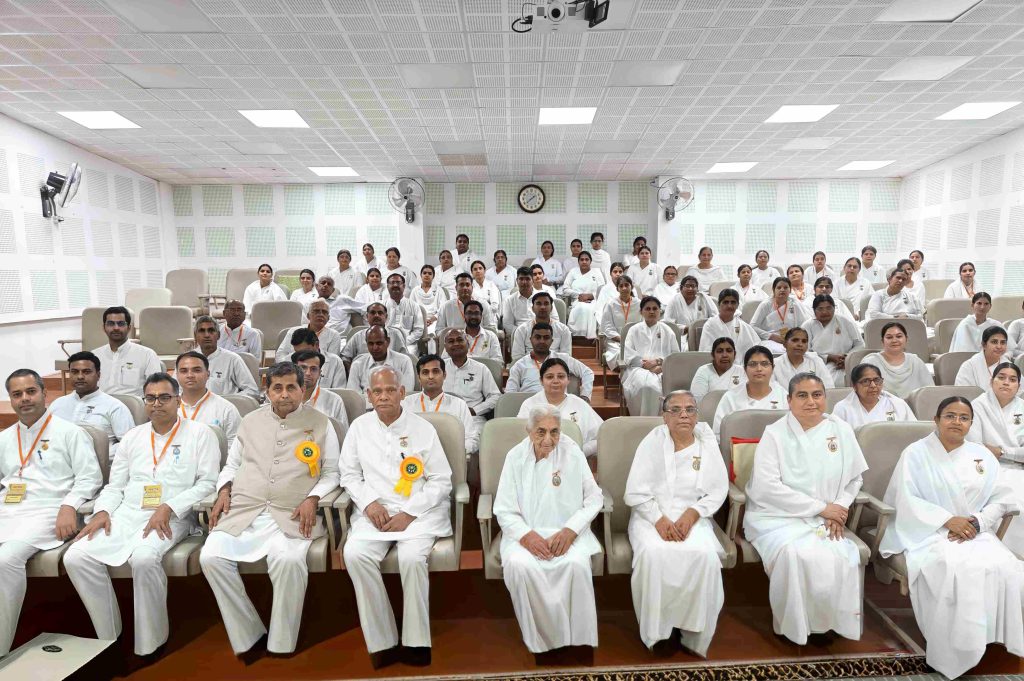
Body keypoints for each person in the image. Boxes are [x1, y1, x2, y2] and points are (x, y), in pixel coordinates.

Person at [65, 372, 219, 657]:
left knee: (144, 557)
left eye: (164, 398)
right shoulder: (133, 437)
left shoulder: (200, 433)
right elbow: (115, 486)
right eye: (150, 398)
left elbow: (208, 483)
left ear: (178, 400)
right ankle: (109, 634)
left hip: (174, 515)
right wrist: (102, 511)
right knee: (76, 556)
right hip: (128, 512)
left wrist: (169, 507)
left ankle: (151, 641)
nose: (156, 404)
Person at [201, 362, 340, 657]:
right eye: (277, 388)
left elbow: (332, 474)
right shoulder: (250, 421)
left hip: (292, 513)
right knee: (211, 556)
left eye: (291, 387)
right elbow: (232, 465)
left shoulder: (321, 423)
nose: (284, 394)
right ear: (267, 391)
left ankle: (281, 642)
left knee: (287, 561)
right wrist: (224, 489)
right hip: (245, 510)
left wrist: (313, 498)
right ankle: (248, 633)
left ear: (302, 389)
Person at [880, 396, 1023, 679]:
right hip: (929, 531)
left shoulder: (981, 455)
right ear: (936, 419)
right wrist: (947, 520)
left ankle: (994, 640)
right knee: (956, 568)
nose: (957, 422)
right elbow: (906, 500)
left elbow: (1001, 499)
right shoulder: (915, 453)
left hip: (973, 531)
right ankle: (954, 649)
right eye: (950, 416)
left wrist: (978, 522)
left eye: (964, 417)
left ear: (971, 423)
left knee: (1008, 567)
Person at [341, 366, 452, 668]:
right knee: (355, 555)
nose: (384, 396)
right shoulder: (358, 428)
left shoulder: (422, 429)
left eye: (390, 390)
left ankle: (417, 642)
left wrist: (409, 513)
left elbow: (441, 479)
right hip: (374, 514)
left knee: (412, 559)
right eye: (377, 391)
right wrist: (369, 504)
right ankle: (382, 640)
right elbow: (349, 475)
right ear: (369, 395)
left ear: (402, 393)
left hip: (418, 513)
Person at [744, 373, 867, 644]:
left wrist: (839, 508)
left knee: (840, 555)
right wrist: (822, 508)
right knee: (795, 554)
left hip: (829, 515)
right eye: (802, 395)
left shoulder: (841, 429)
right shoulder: (775, 433)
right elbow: (767, 488)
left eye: (817, 395)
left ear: (825, 398)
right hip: (776, 516)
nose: (811, 401)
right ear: (789, 400)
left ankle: (829, 622)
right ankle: (794, 628)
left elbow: (855, 478)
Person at [0, 369, 102, 657]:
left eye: (30, 391)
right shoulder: (4, 438)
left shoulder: (70, 432)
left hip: (50, 510)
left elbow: (90, 478)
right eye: (17, 394)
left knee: (6, 558)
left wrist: (69, 506)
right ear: (11, 400)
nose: (24, 399)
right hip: (9, 508)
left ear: (45, 394)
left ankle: (1, 645)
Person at [625, 390, 727, 655]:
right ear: (664, 416)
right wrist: (658, 520)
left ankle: (692, 631)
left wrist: (693, 514)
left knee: (704, 556)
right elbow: (636, 491)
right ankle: (659, 632)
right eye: (676, 410)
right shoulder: (652, 442)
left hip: (694, 516)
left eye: (690, 409)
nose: (684, 415)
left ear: (697, 415)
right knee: (654, 554)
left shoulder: (706, 442)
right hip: (650, 515)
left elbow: (717, 489)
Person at [494, 404, 602, 654]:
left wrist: (570, 531)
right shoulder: (515, 457)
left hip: (567, 533)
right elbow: (504, 509)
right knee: (521, 566)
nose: (548, 439)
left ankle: (577, 642)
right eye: (541, 431)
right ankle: (540, 643)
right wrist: (526, 536)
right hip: (524, 534)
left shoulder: (572, 452)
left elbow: (594, 498)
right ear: (529, 430)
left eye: (555, 432)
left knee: (575, 565)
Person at [967, 362, 1024, 554]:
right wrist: (1015, 453)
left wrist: (1002, 451)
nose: (1006, 383)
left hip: (1018, 468)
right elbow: (975, 446)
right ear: (991, 381)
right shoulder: (977, 406)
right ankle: (1010, 553)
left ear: (1019, 386)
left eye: (1012, 379)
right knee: (1013, 500)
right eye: (1001, 377)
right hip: (987, 469)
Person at [49, 351, 134, 454]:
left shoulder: (114, 407)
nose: (80, 377)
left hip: (99, 462)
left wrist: (100, 456)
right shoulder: (57, 404)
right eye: (74, 372)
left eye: (86, 372)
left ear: (98, 375)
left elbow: (130, 444)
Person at [517, 358, 603, 459]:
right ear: (541, 380)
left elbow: (600, 437)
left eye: (561, 376)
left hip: (573, 462)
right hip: (537, 461)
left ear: (568, 379)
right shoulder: (529, 405)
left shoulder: (580, 404)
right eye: (550, 377)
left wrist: (580, 452)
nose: (556, 381)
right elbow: (521, 439)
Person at [441, 330, 501, 453]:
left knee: (467, 447)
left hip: (473, 419)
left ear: (467, 343)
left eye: (460, 340)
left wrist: (475, 410)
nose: (456, 344)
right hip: (443, 417)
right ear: (445, 348)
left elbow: (495, 396)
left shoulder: (481, 368)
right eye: (451, 341)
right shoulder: (439, 369)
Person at [403, 354, 477, 455]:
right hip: (414, 458)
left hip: (450, 457)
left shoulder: (459, 404)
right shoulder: (406, 403)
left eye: (435, 371)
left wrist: (455, 452)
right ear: (419, 378)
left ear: (444, 375)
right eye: (425, 372)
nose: (430, 376)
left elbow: (471, 438)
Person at [622, 297, 680, 416]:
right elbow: (628, 354)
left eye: (655, 309)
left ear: (660, 311)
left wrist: (659, 363)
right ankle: (643, 420)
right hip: (637, 369)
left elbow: (675, 356)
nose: (652, 312)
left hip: (663, 369)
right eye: (647, 309)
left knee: (661, 387)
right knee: (646, 386)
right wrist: (645, 365)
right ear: (641, 312)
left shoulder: (667, 330)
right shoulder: (634, 330)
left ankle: (660, 421)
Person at [712, 346, 788, 438]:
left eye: (764, 364)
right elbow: (718, 434)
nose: (759, 369)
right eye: (753, 364)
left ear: (773, 368)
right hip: (737, 446)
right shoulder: (730, 398)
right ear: (745, 369)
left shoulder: (783, 395)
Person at [507, 324, 594, 400]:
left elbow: (587, 372)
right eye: (537, 337)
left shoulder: (563, 359)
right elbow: (510, 393)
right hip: (529, 405)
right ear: (531, 339)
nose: (542, 341)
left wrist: (585, 396)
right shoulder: (520, 365)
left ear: (552, 341)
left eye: (546, 338)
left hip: (559, 405)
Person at [175, 351, 242, 448]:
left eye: (197, 370)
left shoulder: (226, 409)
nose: (190, 375)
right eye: (184, 371)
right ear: (177, 375)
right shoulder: (167, 407)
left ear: (208, 374)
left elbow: (234, 448)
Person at [92, 306, 162, 397]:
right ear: (104, 327)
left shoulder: (147, 355)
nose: (116, 328)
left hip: (133, 405)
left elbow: (157, 389)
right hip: (100, 404)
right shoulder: (94, 356)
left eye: (121, 324)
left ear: (129, 327)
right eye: (110, 324)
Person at [801, 294, 863, 387]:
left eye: (829, 308)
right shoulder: (807, 326)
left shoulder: (845, 321)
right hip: (818, 364)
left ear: (834, 308)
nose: (825, 312)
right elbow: (805, 352)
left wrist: (847, 357)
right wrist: (828, 357)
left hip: (846, 363)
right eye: (820, 309)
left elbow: (860, 344)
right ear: (814, 310)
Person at [193, 316, 260, 399]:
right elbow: (179, 391)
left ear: (218, 335)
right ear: (195, 336)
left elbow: (252, 391)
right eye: (202, 331)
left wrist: (227, 401)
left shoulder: (232, 359)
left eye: (211, 330)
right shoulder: (186, 360)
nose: (207, 335)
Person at [347, 326, 415, 408]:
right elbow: (354, 398)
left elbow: (405, 394)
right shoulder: (357, 364)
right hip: (365, 410)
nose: (375, 347)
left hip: (396, 409)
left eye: (379, 343)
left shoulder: (404, 361)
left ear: (388, 341)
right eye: (371, 344)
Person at [862, 322, 933, 398]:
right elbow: (862, 392)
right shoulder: (870, 363)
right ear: (882, 341)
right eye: (889, 337)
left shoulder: (916, 361)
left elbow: (930, 390)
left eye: (899, 336)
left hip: (915, 404)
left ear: (906, 339)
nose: (894, 340)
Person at [832, 363, 914, 427]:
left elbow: (914, 432)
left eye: (877, 380)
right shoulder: (842, 408)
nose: (873, 385)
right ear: (854, 386)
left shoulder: (897, 404)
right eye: (866, 381)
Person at [750, 277, 810, 355]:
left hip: (792, 339)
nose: (782, 290)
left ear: (790, 290)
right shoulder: (766, 305)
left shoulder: (795, 303)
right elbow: (752, 326)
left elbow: (804, 325)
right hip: (770, 340)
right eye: (779, 287)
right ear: (773, 290)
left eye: (785, 287)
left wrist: (795, 337)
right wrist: (771, 336)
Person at [698, 288, 761, 360]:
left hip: (741, 365)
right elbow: (705, 351)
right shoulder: (710, 325)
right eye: (725, 302)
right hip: (717, 364)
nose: (729, 306)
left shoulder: (743, 326)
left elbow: (756, 347)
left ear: (737, 305)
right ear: (719, 304)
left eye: (733, 302)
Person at [341, 303, 409, 369]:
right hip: (363, 373)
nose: (376, 315)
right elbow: (345, 356)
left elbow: (405, 358)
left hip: (390, 373)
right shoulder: (358, 336)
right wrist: (352, 371)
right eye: (372, 313)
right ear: (367, 316)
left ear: (386, 317)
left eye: (380, 313)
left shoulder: (396, 334)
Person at [292, 350, 349, 428]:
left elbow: (342, 432)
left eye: (313, 369)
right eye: (303, 368)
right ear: (294, 371)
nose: (308, 373)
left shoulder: (334, 401)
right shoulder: (284, 398)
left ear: (319, 373)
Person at [511, 292, 571, 364]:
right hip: (528, 367)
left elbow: (566, 357)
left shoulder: (563, 330)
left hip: (555, 367)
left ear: (551, 308)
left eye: (546, 304)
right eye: (539, 304)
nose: (542, 307)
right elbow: (517, 358)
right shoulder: (522, 329)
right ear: (532, 308)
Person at [275, 299, 341, 362]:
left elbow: (333, 361)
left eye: (324, 312)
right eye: (316, 311)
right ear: (308, 316)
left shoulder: (334, 335)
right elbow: (280, 355)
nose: (321, 314)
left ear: (328, 318)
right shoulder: (293, 331)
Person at [598, 275, 641, 370]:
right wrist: (622, 339)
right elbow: (607, 327)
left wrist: (632, 340)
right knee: (621, 354)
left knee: (640, 353)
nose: (624, 288)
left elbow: (643, 324)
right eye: (621, 286)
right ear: (617, 289)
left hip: (636, 340)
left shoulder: (639, 304)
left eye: (627, 285)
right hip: (616, 341)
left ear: (631, 286)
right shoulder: (611, 304)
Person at [562, 251, 606, 338]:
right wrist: (579, 295)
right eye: (582, 260)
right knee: (581, 307)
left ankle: (591, 337)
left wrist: (590, 296)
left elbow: (602, 290)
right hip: (577, 301)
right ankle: (578, 336)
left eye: (586, 259)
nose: (584, 262)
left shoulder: (597, 272)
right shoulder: (573, 272)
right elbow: (565, 289)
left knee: (591, 309)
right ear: (578, 261)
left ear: (590, 261)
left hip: (594, 301)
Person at [955, 326, 1011, 390]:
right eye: (994, 342)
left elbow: (1018, 392)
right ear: (984, 345)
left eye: (1003, 342)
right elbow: (964, 393)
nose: (999, 346)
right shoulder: (969, 367)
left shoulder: (1010, 366)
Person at [691, 337, 746, 401]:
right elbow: (697, 400)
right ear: (713, 355)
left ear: (735, 354)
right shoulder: (703, 371)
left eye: (729, 351)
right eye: (720, 351)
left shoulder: (742, 371)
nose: (725, 355)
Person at [384, 274, 424, 354]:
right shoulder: (382, 306)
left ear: (404, 286)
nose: (395, 285)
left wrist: (405, 341)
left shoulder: (413, 305)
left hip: (408, 343)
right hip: (386, 342)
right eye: (392, 283)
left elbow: (419, 329)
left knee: (409, 356)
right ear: (387, 286)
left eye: (398, 282)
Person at [412, 264, 445, 339]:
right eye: (424, 273)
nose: (427, 275)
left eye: (430, 273)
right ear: (421, 275)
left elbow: (443, 308)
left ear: (433, 276)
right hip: (418, 320)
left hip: (435, 320)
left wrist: (432, 319)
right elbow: (411, 308)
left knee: (433, 334)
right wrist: (422, 320)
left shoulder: (439, 290)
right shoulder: (415, 290)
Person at [503, 267, 540, 332]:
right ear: (517, 281)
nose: (524, 282)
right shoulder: (509, 300)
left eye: (527, 279)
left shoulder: (543, 297)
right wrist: (523, 333)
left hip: (541, 333)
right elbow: (507, 325)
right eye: (521, 279)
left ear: (533, 281)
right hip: (519, 333)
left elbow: (554, 319)